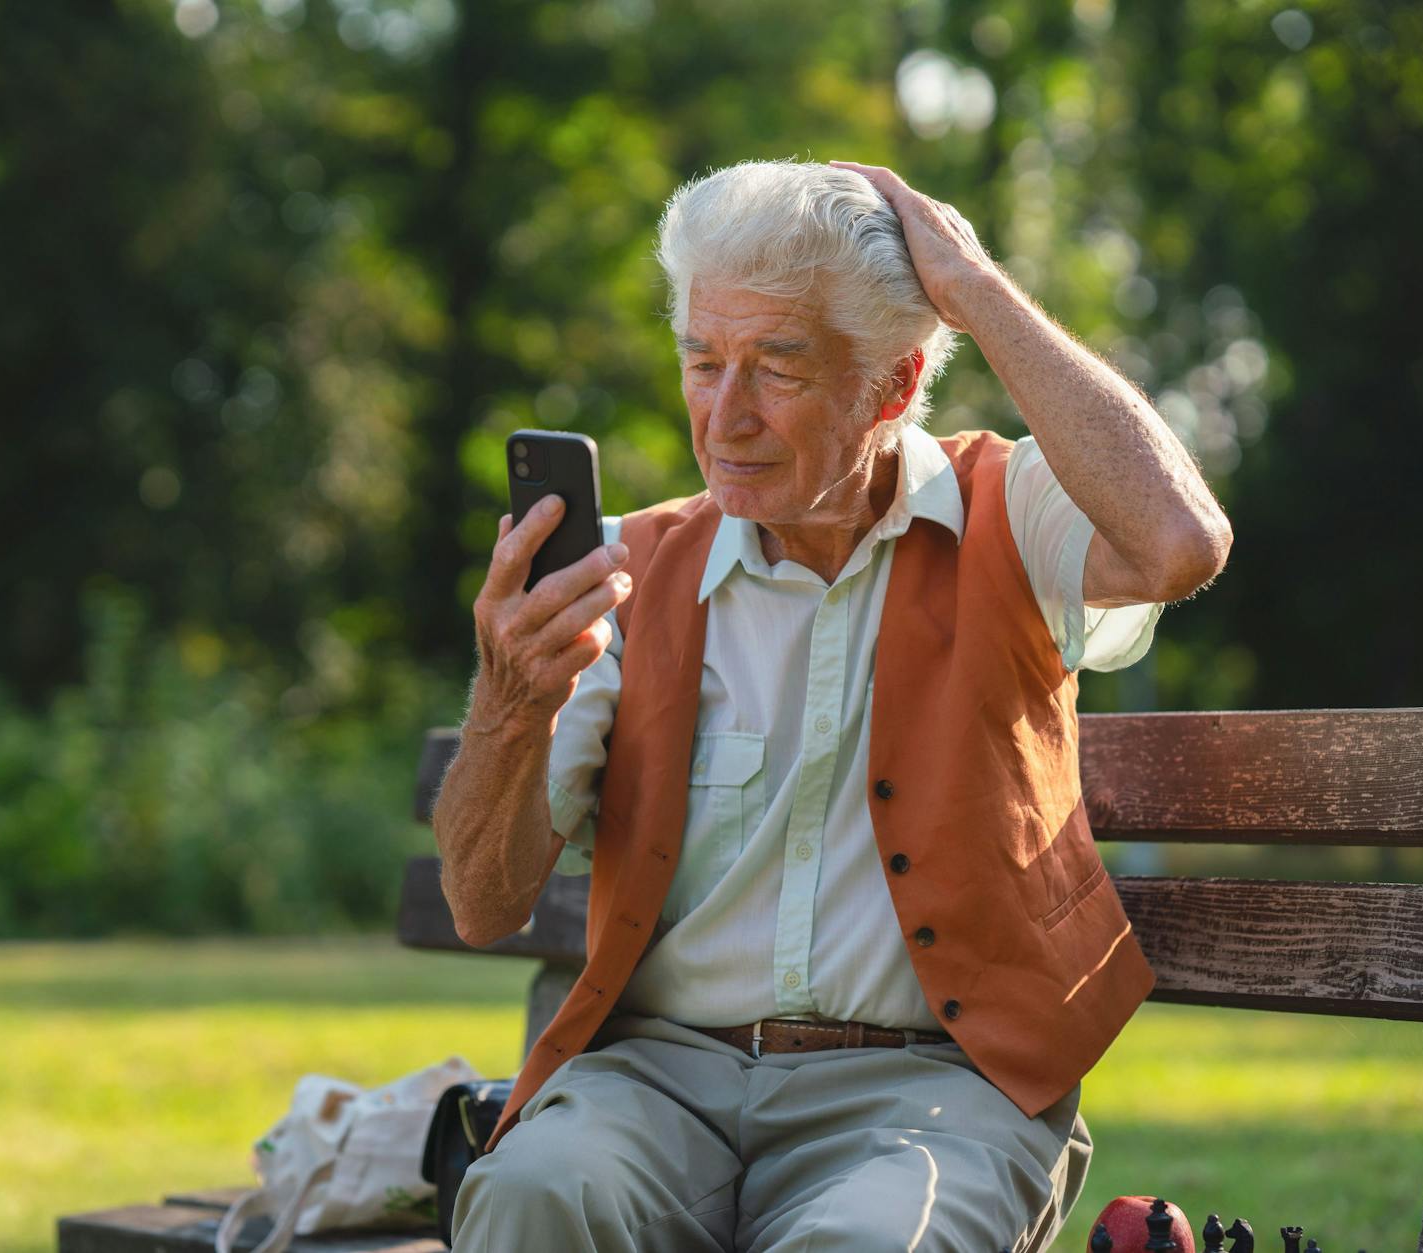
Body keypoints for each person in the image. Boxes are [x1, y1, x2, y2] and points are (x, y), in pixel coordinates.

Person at [432, 158, 1233, 1252]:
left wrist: (975, 286)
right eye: (702, 362)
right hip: (661, 1077)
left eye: (776, 368)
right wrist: (509, 703)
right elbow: (482, 901)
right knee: (531, 1194)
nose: (725, 415)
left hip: (930, 1091)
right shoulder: (630, 572)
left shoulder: (1008, 510)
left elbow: (1179, 541)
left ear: (892, 388)